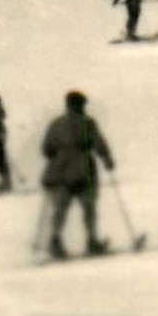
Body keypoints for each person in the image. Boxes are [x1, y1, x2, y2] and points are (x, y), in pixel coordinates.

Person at [40, 91, 115, 259]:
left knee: (60, 210)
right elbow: (99, 144)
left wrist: (59, 156)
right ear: (80, 105)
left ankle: (55, 242)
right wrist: (107, 160)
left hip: (59, 173)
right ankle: (92, 241)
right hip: (83, 172)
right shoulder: (88, 123)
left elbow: (46, 149)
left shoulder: (56, 124)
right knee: (89, 209)